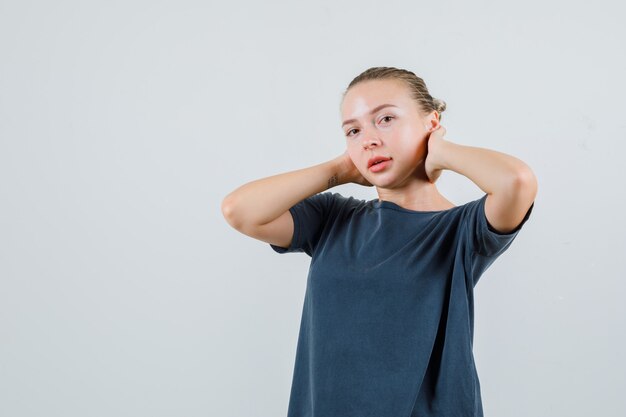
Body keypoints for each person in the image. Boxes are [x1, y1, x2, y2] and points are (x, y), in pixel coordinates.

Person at [221, 66, 537, 417]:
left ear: (431, 123)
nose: (368, 138)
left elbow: (517, 182)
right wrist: (338, 170)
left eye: (385, 119)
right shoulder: (332, 219)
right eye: (353, 130)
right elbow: (240, 211)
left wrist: (441, 152)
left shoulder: (463, 230)